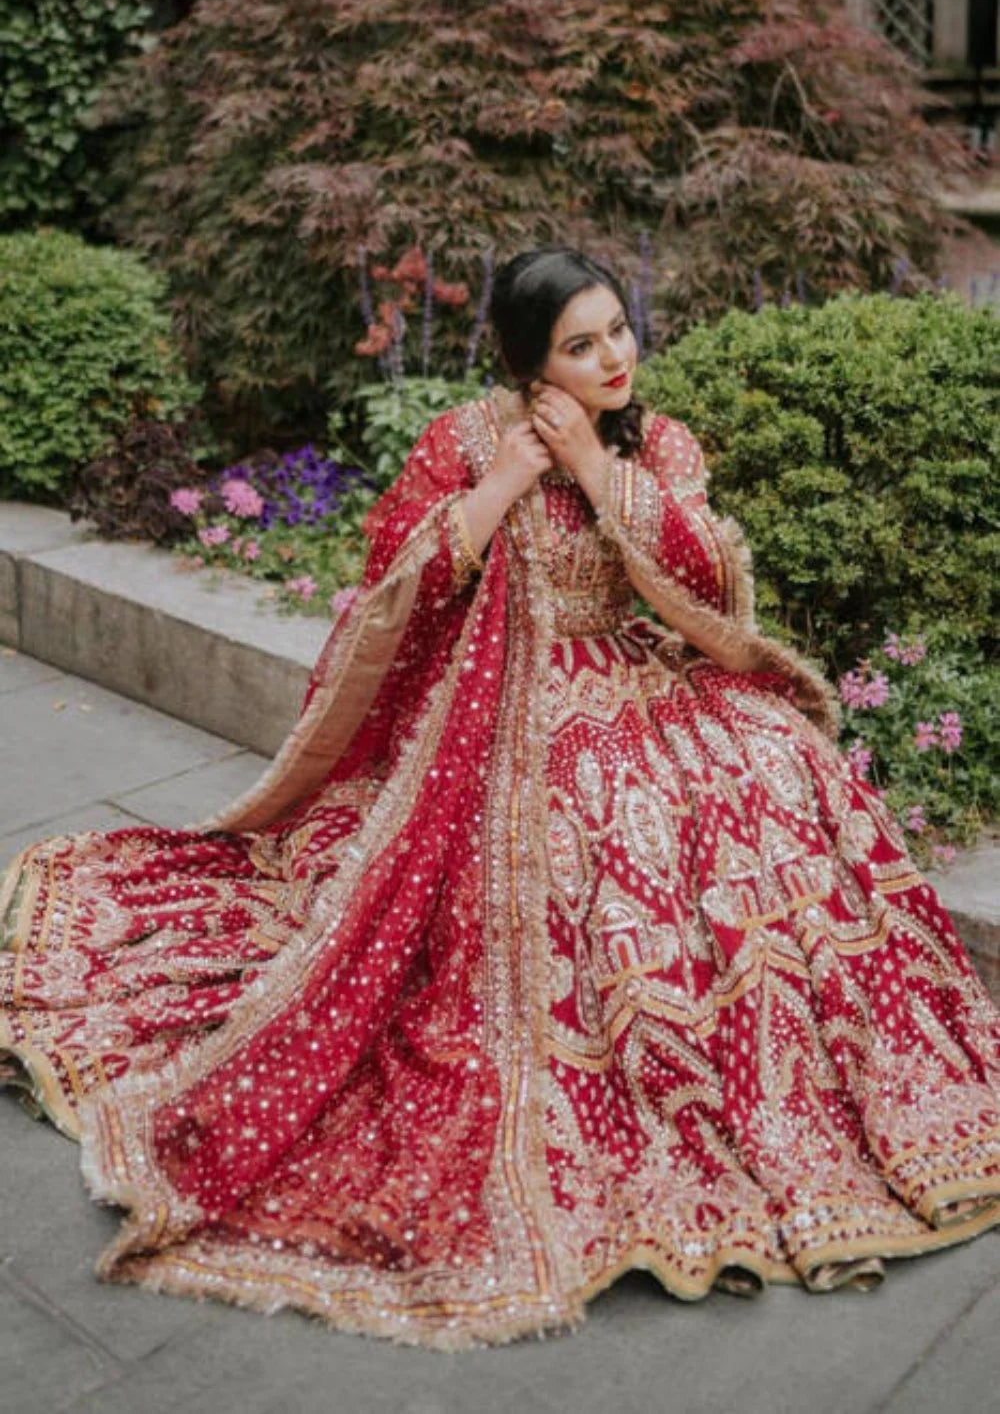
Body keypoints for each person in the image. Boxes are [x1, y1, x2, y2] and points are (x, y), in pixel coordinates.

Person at [2, 246, 1000, 1351]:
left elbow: (708, 585)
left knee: (772, 762)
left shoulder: (657, 441)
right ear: (528, 362)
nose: (613, 357)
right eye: (580, 346)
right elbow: (400, 577)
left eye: (617, 331)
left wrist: (601, 467)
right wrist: (512, 478)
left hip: (639, 676)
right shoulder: (468, 440)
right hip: (510, 702)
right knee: (593, 818)